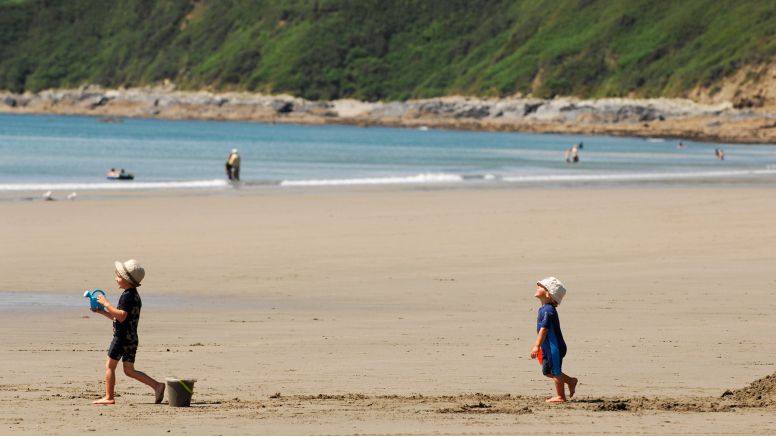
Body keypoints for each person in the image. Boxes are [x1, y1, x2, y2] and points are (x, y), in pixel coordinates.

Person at [91, 259, 165, 405]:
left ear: (126, 280)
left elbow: (121, 315)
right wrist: (102, 311)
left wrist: (106, 303)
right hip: (132, 338)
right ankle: (157, 385)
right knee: (129, 370)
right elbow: (118, 316)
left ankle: (109, 397)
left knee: (110, 366)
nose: (116, 278)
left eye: (118, 276)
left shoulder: (127, 296)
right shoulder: (134, 295)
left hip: (121, 338)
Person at [530, 277, 578, 403]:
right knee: (547, 371)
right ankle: (571, 381)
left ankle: (561, 396)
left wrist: (536, 346)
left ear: (548, 293)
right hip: (547, 346)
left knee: (555, 371)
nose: (537, 287)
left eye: (541, 286)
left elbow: (544, 329)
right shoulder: (543, 309)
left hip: (554, 347)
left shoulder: (548, 310)